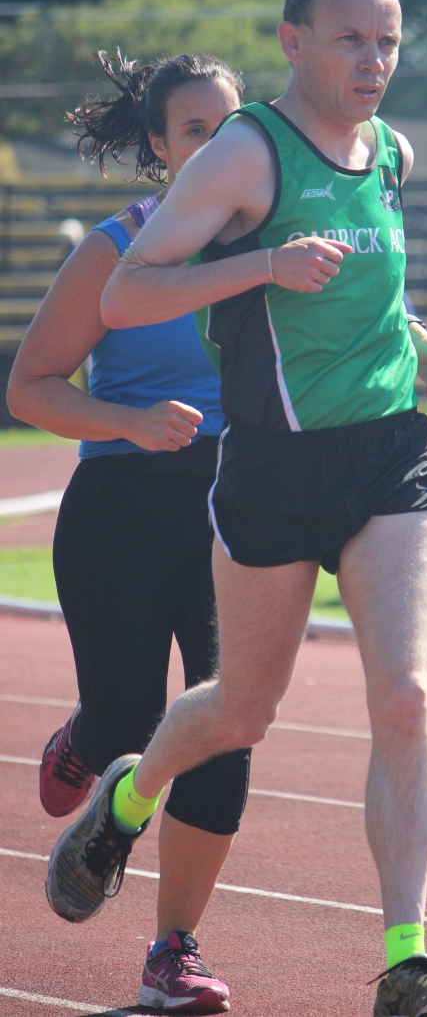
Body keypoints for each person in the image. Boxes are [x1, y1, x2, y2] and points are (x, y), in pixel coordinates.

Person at [45, 0, 427, 1017]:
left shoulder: (391, 152)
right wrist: (263, 264)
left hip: (389, 454)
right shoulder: (246, 153)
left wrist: (421, 344)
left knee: (405, 696)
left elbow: (372, 293)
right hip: (273, 470)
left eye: (388, 41)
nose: (373, 60)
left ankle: (407, 961)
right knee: (241, 709)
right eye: (349, 39)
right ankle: (129, 794)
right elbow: (128, 297)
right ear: (293, 41)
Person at [7, 50, 249, 1015]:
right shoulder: (117, 247)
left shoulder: (272, 245)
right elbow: (30, 387)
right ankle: (86, 739)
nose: (216, 146)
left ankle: (172, 951)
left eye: (230, 128)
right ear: (160, 144)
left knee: (227, 725)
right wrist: (128, 422)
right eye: (194, 130)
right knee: (126, 723)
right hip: (121, 506)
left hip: (239, 511)